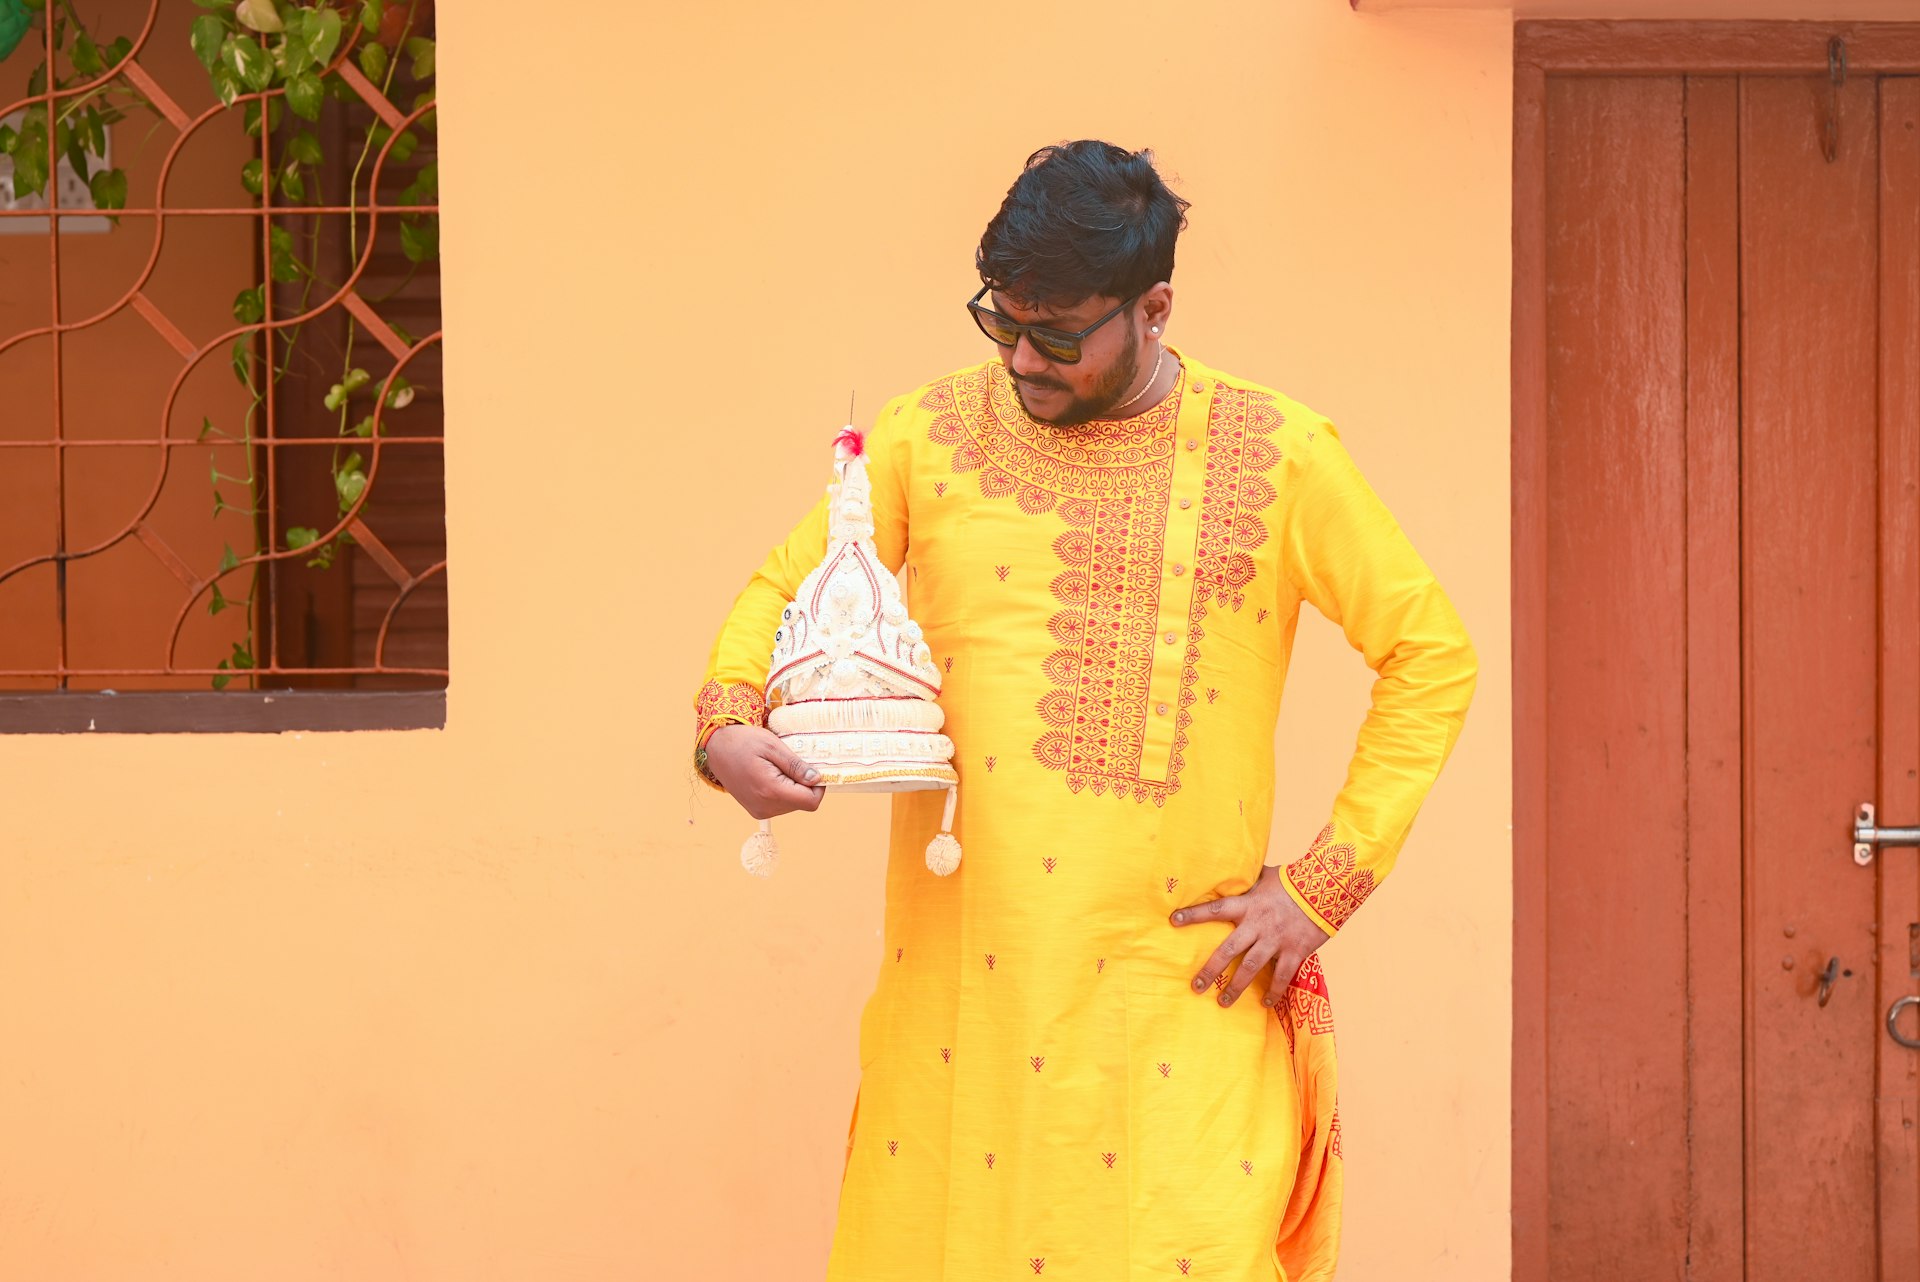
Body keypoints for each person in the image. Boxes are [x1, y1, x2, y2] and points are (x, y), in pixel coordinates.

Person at [691, 139, 1477, 1282]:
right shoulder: (928, 437)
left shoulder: (1281, 456)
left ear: (1153, 307)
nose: (1022, 355)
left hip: (1174, 1009)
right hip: (964, 1012)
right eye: (1001, 321)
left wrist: (1323, 886)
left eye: (1057, 332)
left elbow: (1430, 653)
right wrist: (727, 724)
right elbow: (786, 581)